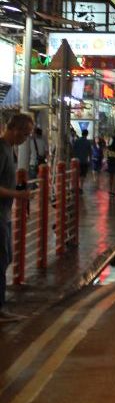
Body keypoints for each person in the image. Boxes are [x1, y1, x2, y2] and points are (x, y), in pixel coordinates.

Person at [0, 113, 35, 322]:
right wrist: (17, 194)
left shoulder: (9, 150)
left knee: (6, 258)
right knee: (1, 259)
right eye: (25, 133)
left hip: (4, 215)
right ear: (15, 129)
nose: (26, 137)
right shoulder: (2, 150)